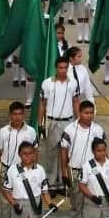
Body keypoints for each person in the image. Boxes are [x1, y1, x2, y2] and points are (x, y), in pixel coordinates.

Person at [60, 100, 106, 218]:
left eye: (92, 113)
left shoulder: (98, 130)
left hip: (93, 172)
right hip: (75, 171)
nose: (89, 115)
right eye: (86, 113)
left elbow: (104, 151)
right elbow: (63, 152)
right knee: (77, 205)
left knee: (92, 205)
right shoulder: (69, 130)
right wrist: (64, 172)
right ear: (79, 113)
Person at [0, 101, 38, 218]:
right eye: (14, 114)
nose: (17, 117)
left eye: (20, 114)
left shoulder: (31, 132)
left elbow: (35, 151)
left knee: (23, 200)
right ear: (10, 115)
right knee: (6, 203)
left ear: (23, 115)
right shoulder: (3, 132)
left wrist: (34, 169)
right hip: (6, 169)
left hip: (24, 171)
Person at [40, 57, 74, 195]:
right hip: (52, 121)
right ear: (56, 68)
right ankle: (51, 183)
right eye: (60, 67)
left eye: (65, 67)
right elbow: (42, 103)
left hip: (68, 121)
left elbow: (76, 101)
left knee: (65, 153)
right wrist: (40, 123)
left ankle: (62, 183)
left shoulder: (73, 83)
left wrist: (78, 121)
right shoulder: (47, 83)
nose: (63, 70)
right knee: (51, 153)